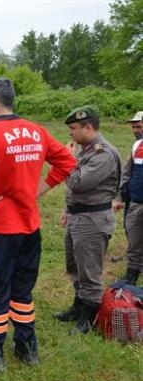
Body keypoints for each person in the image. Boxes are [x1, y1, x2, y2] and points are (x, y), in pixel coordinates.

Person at [0, 78, 77, 372]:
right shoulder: (36, 131)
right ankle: (27, 349)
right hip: (30, 229)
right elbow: (66, 162)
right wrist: (37, 190)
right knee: (22, 292)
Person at [55, 106, 121, 334]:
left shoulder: (104, 154)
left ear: (88, 127)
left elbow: (78, 182)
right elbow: (75, 191)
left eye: (73, 128)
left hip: (93, 219)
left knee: (89, 271)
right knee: (74, 266)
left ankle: (89, 317)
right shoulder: (86, 150)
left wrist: (67, 160)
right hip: (78, 215)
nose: (70, 133)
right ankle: (78, 305)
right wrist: (67, 209)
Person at [113, 112, 143, 285]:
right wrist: (119, 196)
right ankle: (131, 275)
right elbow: (127, 172)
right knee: (134, 239)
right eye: (134, 126)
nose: (136, 130)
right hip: (137, 202)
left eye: (139, 126)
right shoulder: (137, 146)